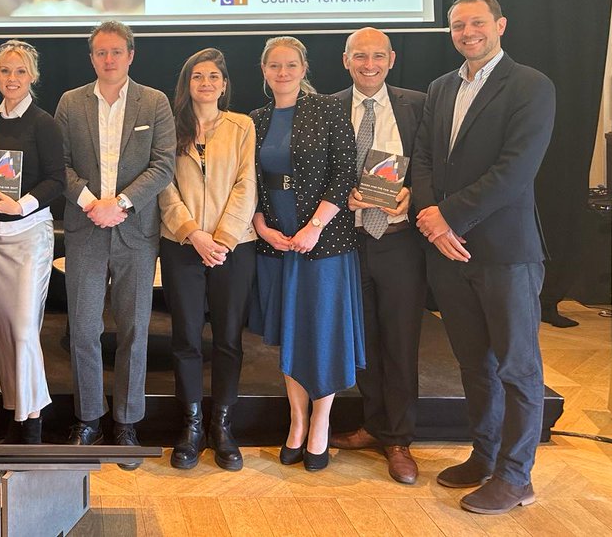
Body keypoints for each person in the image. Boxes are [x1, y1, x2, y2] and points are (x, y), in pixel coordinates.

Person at [410, 0, 555, 514]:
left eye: (476, 23)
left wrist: (449, 217)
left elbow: (515, 170)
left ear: (500, 25)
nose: (467, 32)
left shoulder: (531, 86)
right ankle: (484, 455)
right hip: (449, 252)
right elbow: (423, 160)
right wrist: (432, 221)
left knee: (518, 368)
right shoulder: (442, 87)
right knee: (475, 365)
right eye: (457, 25)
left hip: (505, 253)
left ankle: (516, 477)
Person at [54, 21, 175, 467]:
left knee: (133, 330)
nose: (109, 59)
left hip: (135, 232)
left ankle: (126, 423)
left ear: (131, 55)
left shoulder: (155, 102)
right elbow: (60, 163)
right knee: (83, 330)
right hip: (85, 228)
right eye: (101, 52)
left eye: (116, 52)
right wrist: (91, 203)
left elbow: (163, 165)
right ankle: (88, 419)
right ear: (92, 58)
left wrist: (120, 204)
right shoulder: (70, 102)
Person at [249, 36, 362, 472]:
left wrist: (314, 227)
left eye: (290, 65)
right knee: (292, 333)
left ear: (304, 68)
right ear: (263, 71)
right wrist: (261, 226)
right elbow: (250, 183)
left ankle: (321, 424)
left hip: (324, 243)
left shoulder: (329, 110)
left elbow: (343, 172)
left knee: (323, 333)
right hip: (276, 244)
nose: (282, 72)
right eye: (274, 65)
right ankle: (297, 423)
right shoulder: (254, 121)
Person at [328, 28, 427, 484]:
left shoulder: (418, 105)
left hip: (399, 238)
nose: (369, 64)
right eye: (360, 56)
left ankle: (400, 439)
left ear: (392, 59)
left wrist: (415, 195)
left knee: (400, 340)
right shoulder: (326, 108)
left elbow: (432, 166)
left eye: (378, 56)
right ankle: (373, 425)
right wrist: (334, 196)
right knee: (363, 339)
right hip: (348, 241)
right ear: (346, 60)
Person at [159, 48, 257, 471]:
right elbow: (163, 185)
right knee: (185, 337)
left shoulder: (242, 126)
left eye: (213, 75)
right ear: (188, 83)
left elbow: (246, 182)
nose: (206, 82)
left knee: (228, 339)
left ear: (224, 83)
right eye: (198, 75)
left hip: (233, 247)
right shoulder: (169, 126)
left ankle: (222, 425)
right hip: (182, 244)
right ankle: (192, 424)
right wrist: (193, 234)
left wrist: (222, 238)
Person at [0, 40, 65, 444]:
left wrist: (23, 205)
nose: (13, 79)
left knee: (25, 329)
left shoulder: (44, 122)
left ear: (33, 77)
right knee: (2, 329)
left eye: (20, 72)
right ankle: (13, 412)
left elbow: (57, 180)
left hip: (28, 237)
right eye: (6, 71)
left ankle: (34, 419)